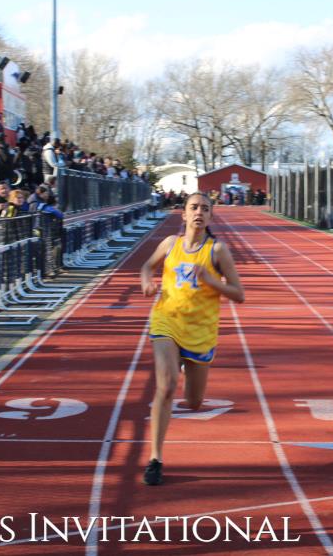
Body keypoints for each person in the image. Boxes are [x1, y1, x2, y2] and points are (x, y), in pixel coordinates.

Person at [139, 192, 245, 486]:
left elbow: (239, 294)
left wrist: (211, 281)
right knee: (166, 386)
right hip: (167, 320)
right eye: (194, 207)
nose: (199, 212)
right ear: (183, 214)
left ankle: (184, 365)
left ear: (210, 217)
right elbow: (147, 266)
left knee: (194, 402)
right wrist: (147, 281)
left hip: (200, 330)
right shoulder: (170, 244)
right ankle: (155, 459)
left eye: (205, 209)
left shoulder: (217, 251)